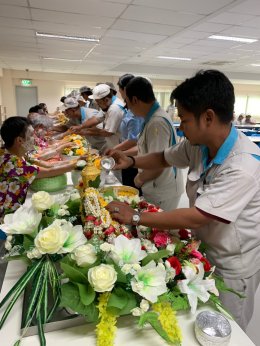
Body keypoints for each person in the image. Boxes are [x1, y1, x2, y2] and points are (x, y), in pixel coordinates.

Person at [106, 70, 260, 331]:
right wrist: (131, 160)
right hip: (205, 248)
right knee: (198, 320)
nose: (180, 126)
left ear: (208, 117)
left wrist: (135, 216)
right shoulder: (198, 145)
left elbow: (197, 215)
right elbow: (164, 157)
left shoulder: (243, 165)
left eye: (185, 120)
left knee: (228, 327)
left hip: (232, 263)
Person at [109, 76, 183, 210]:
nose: (128, 108)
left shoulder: (157, 122)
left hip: (162, 189)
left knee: (158, 228)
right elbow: (142, 146)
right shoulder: (150, 119)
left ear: (135, 100)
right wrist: (123, 154)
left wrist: (139, 179)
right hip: (155, 185)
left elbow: (158, 163)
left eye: (127, 102)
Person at [0, 116, 80, 221]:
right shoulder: (12, 163)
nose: (35, 139)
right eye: (31, 135)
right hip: (8, 215)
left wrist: (75, 160)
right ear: (19, 140)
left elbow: (47, 165)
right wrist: (77, 164)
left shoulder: (13, 152)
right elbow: (50, 171)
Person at [106, 74, 143, 188]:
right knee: (126, 184)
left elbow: (133, 141)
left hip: (132, 156)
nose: (120, 93)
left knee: (131, 189)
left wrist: (115, 150)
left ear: (125, 90)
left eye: (120, 90)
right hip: (126, 154)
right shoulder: (129, 109)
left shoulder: (135, 113)